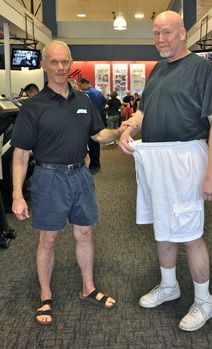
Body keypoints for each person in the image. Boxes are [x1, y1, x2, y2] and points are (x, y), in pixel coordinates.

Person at [119, 11, 212, 332]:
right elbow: (143, 112)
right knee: (163, 228)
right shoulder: (156, 71)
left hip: (186, 158)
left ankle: (205, 300)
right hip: (155, 160)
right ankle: (169, 286)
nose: (161, 39)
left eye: (167, 33)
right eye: (156, 33)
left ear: (182, 33)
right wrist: (128, 128)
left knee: (190, 234)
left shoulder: (201, 69)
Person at [11, 40, 123, 326]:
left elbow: (98, 135)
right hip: (49, 178)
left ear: (71, 63)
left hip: (80, 177)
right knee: (48, 239)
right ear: (44, 64)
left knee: (85, 233)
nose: (60, 68)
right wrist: (17, 195)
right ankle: (45, 296)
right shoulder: (32, 107)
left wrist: (122, 131)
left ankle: (88, 287)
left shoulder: (84, 100)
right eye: (54, 62)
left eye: (65, 62)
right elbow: (21, 155)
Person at [79, 78, 107, 174]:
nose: (80, 88)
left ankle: (92, 165)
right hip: (98, 117)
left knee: (90, 143)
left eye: (80, 85)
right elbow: (104, 102)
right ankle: (96, 164)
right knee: (96, 141)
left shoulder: (86, 94)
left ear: (84, 84)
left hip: (89, 119)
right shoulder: (97, 92)